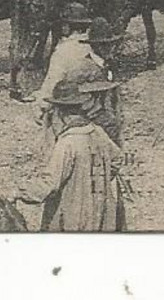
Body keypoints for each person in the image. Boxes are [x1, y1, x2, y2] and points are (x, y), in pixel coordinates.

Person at [18, 80, 126, 232]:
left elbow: (49, 184)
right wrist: (95, 181)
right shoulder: (98, 132)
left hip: (73, 215)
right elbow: (117, 159)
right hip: (99, 210)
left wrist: (20, 191)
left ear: (60, 113)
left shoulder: (68, 144)